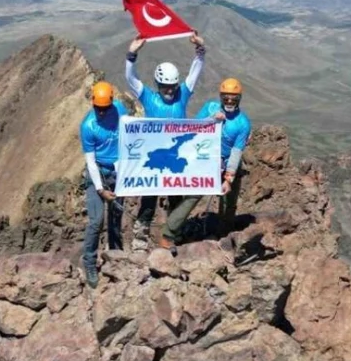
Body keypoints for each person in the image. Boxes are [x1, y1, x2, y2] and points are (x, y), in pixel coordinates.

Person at [124, 31, 205, 250]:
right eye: (165, 86)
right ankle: (140, 238)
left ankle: (173, 235)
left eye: (173, 86)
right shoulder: (148, 96)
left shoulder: (183, 94)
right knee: (148, 200)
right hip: (155, 157)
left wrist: (200, 50)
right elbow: (131, 79)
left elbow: (195, 73)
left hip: (176, 156)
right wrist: (132, 54)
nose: (170, 91)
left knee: (177, 198)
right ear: (157, 84)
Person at [79, 80, 129, 288]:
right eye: (98, 109)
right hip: (97, 173)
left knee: (116, 216)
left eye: (104, 108)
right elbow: (90, 161)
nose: (101, 113)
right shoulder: (88, 126)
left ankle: (116, 256)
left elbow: (130, 133)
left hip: (118, 171)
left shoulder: (119, 110)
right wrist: (100, 189)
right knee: (96, 220)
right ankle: (89, 261)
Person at [197, 78, 251, 236]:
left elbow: (236, 151)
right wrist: (211, 119)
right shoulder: (210, 108)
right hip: (206, 160)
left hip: (228, 163)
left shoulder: (242, 123)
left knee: (229, 201)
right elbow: (192, 127)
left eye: (233, 99)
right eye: (225, 98)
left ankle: (224, 233)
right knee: (193, 194)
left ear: (239, 99)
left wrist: (228, 178)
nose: (229, 101)